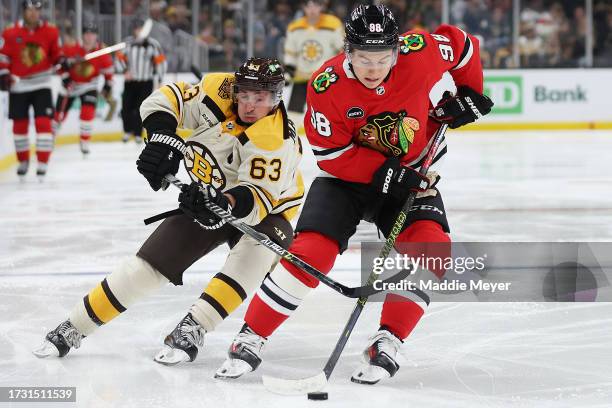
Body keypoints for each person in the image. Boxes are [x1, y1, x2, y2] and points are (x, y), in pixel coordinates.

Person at [215, 4, 493, 384]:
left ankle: (389, 337)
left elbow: (464, 47)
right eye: (364, 58)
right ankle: (252, 334)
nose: (374, 68)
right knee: (311, 252)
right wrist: (385, 173)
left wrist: (469, 93)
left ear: (397, 50)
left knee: (433, 249)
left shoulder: (421, 50)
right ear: (348, 51)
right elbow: (331, 155)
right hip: (349, 180)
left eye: (383, 58)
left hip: (410, 175)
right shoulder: (326, 84)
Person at [32, 58, 305, 362]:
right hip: (205, 196)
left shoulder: (275, 139)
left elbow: (255, 199)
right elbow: (165, 98)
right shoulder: (219, 89)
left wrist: (220, 202)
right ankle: (75, 325)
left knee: (255, 253)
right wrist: (162, 139)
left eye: (261, 97)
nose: (250, 105)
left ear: (276, 97)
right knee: (149, 264)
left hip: (268, 212)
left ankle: (195, 325)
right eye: (244, 95)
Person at [0, 0, 63, 179]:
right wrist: (4, 74)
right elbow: (3, 57)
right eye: (30, 9)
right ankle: (23, 161)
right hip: (18, 86)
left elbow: (56, 54)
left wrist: (61, 61)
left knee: (43, 124)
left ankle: (42, 162)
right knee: (19, 127)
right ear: (23, 11)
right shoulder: (11, 32)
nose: (34, 13)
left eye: (37, 9)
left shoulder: (51, 31)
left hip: (42, 84)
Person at [52, 23, 113, 155]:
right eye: (87, 34)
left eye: (93, 34)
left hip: (89, 86)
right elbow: (58, 65)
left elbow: (109, 72)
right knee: (58, 116)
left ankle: (84, 141)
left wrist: (107, 85)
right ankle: (50, 138)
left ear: (96, 36)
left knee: (87, 112)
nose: (90, 37)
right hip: (70, 85)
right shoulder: (71, 49)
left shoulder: (101, 53)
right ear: (83, 35)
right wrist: (65, 76)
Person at [283, 0, 343, 114]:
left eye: (315, 5)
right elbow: (291, 53)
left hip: (325, 78)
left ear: (321, 6)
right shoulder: (295, 27)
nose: (312, 9)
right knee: (294, 115)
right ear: (303, 7)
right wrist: (289, 71)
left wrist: (340, 71)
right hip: (301, 77)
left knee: (326, 113)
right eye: (308, 6)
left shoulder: (333, 24)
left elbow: (342, 50)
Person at [115, 18, 167, 144]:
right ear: (134, 30)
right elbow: (118, 59)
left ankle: (138, 133)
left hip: (146, 81)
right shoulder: (127, 43)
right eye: (137, 29)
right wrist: (124, 70)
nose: (139, 32)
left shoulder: (153, 44)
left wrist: (160, 79)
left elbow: (160, 63)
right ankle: (127, 131)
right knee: (126, 107)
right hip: (130, 81)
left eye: (141, 29)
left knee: (141, 108)